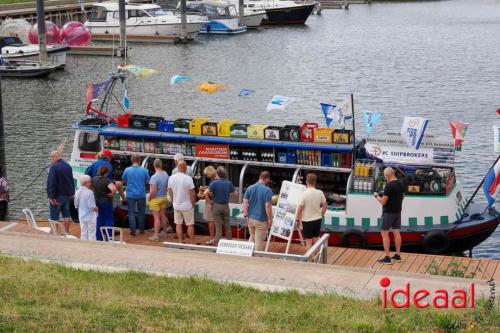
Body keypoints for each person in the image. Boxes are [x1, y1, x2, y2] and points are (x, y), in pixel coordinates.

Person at [374, 167, 405, 264]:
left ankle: (387, 258)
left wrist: (376, 196)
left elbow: (383, 202)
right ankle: (397, 255)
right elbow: (402, 197)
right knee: (396, 232)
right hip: (397, 212)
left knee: (384, 234)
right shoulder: (401, 183)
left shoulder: (389, 186)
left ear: (387, 175)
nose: (385, 178)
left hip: (388, 213)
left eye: (385, 176)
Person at [242, 171, 273, 251]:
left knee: (252, 236)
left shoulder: (250, 188)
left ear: (260, 177)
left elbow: (245, 202)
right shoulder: (267, 190)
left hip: (250, 218)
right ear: (267, 179)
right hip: (261, 220)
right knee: (259, 240)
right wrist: (270, 219)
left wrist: (245, 215)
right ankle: (257, 259)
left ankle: (247, 254)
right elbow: (267, 205)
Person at [295, 173, 327, 251]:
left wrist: (297, 220)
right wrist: (322, 214)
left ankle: (312, 259)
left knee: (309, 242)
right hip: (317, 219)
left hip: (307, 221)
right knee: (317, 239)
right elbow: (325, 205)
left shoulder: (304, 194)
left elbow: (300, 209)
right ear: (315, 182)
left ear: (306, 181)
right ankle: (318, 257)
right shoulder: (320, 192)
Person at [47, 150, 75, 234]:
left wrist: (51, 196)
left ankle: (54, 232)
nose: (51, 160)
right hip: (67, 195)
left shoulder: (54, 167)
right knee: (66, 215)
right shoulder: (68, 166)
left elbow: (52, 182)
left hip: (57, 196)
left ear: (56, 157)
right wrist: (71, 193)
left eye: (51, 158)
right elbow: (71, 180)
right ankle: (66, 232)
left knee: (54, 216)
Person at [207, 166, 238, 243]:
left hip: (216, 205)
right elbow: (235, 194)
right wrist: (229, 195)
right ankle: (229, 242)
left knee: (218, 226)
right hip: (226, 206)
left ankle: (218, 242)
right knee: (227, 224)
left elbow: (206, 192)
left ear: (217, 174)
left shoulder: (214, 183)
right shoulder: (229, 183)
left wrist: (210, 195)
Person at [168, 160, 196, 244]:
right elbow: (192, 192)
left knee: (178, 224)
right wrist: (193, 203)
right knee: (190, 224)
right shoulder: (188, 178)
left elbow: (169, 190)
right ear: (185, 168)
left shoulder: (171, 177)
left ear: (177, 168)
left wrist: (173, 200)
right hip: (187, 205)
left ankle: (180, 241)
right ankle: (192, 242)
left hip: (176, 204)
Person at [122, 154, 150, 236]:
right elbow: (148, 182)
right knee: (141, 212)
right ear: (139, 160)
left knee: (131, 213)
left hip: (130, 194)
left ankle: (133, 231)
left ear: (131, 160)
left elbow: (123, 181)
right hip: (141, 194)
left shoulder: (127, 170)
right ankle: (141, 229)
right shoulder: (144, 170)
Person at [92, 166, 117, 241]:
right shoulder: (107, 180)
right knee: (108, 219)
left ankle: (99, 237)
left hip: (97, 201)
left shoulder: (94, 179)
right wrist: (111, 194)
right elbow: (113, 189)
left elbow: (90, 187)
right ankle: (109, 237)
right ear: (106, 173)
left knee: (99, 219)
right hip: (106, 202)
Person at [147, 159, 169, 241]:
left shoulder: (154, 177)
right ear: (161, 165)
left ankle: (156, 235)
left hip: (155, 199)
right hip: (163, 197)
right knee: (163, 215)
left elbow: (153, 191)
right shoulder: (165, 174)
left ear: (154, 165)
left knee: (156, 218)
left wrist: (149, 198)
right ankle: (165, 232)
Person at [74, 175, 98, 241]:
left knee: (83, 232)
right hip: (90, 215)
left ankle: (83, 245)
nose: (90, 183)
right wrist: (96, 209)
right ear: (85, 183)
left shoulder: (77, 191)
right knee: (92, 232)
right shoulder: (90, 192)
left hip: (81, 214)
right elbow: (91, 206)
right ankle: (91, 245)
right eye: (89, 182)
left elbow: (76, 204)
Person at [198, 166, 216, 245]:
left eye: (206, 174)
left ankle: (212, 239)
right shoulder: (217, 179)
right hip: (217, 203)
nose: (206, 176)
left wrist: (204, 191)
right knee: (216, 222)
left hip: (211, 204)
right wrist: (207, 188)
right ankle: (216, 238)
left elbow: (212, 192)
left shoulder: (213, 180)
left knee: (211, 222)